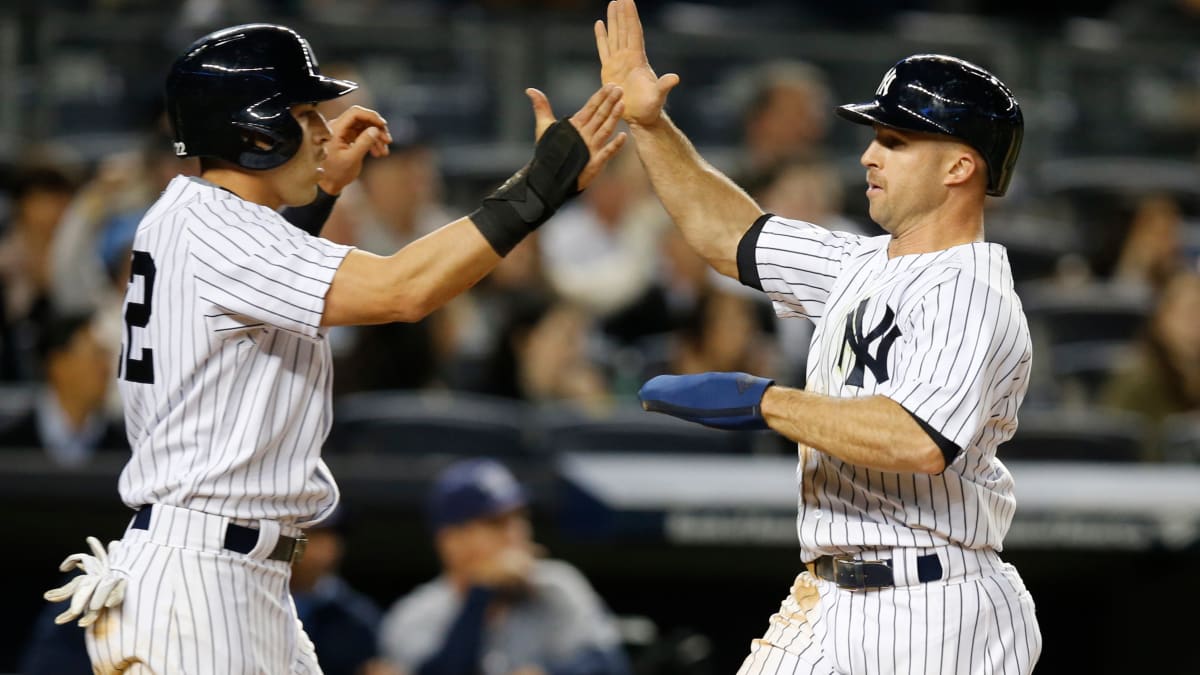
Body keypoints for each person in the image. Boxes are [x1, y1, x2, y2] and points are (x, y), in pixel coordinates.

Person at [41, 22, 626, 674]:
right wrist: (539, 186)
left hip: (237, 577)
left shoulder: (199, 219)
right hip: (198, 581)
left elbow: (267, 288)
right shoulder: (213, 229)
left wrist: (321, 191)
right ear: (254, 131)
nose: (324, 129)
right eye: (304, 113)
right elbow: (404, 291)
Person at [594, 1, 1041, 673]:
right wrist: (649, 125)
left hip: (936, 605)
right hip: (827, 594)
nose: (868, 154)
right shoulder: (858, 264)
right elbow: (728, 235)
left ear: (959, 167)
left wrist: (763, 400)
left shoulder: (970, 290)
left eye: (894, 141)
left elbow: (916, 439)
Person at [378, 457, 631, 675]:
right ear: (450, 541)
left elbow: (610, 665)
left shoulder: (557, 586)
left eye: (519, 517)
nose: (516, 532)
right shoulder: (414, 616)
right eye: (496, 523)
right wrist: (480, 593)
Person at [0, 310, 127, 466]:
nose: (106, 368)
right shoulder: (10, 450)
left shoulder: (123, 451)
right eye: (95, 355)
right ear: (57, 365)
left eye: (105, 356)